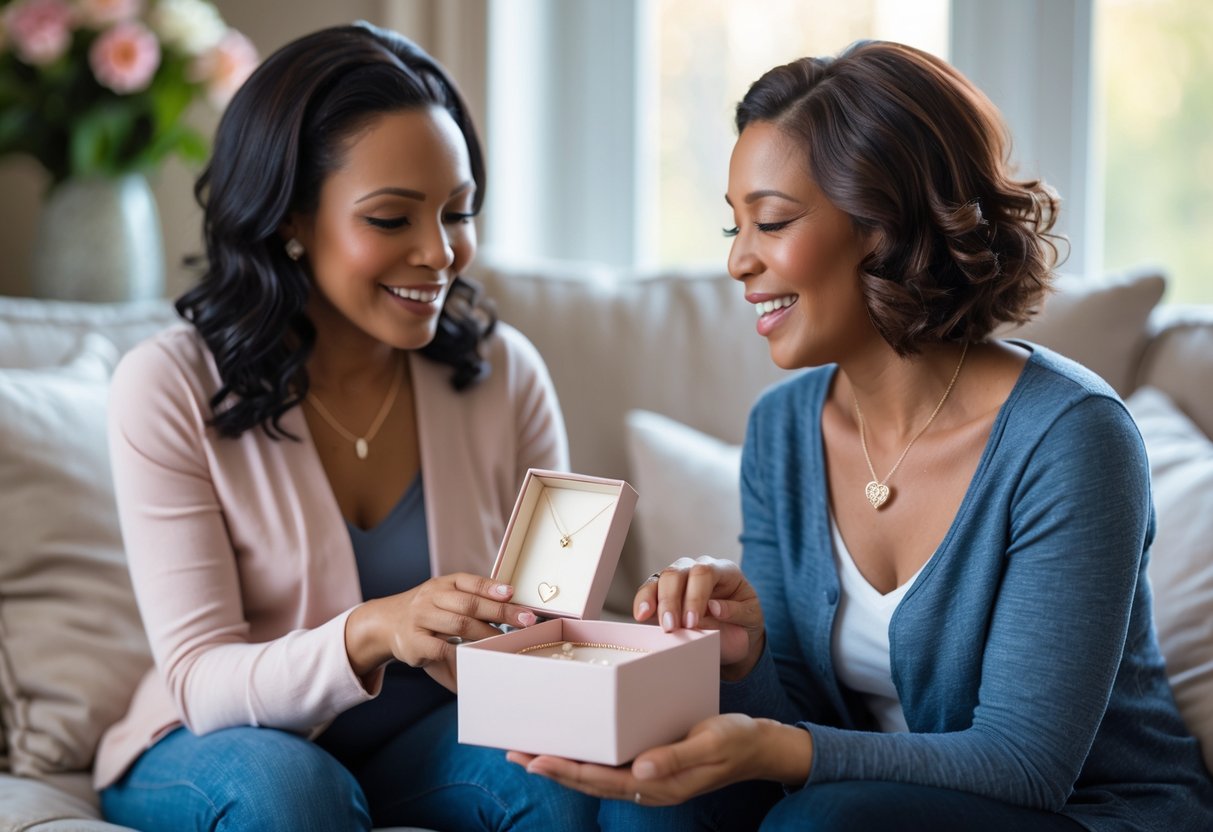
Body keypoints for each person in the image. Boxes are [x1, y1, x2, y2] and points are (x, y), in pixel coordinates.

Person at [510, 40, 1213, 830]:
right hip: (869, 804)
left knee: (819, 823)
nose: (739, 260)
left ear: (882, 226)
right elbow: (804, 716)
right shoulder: (782, 430)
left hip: (1090, 812)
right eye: (732, 226)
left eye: (770, 221)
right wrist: (744, 656)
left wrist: (774, 749)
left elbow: (1025, 764)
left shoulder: (1072, 439)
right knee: (653, 807)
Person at [95, 22, 603, 831]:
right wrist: (372, 629)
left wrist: (630, 634)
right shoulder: (169, 386)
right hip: (220, 736)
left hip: (424, 737)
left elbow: (553, 638)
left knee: (556, 779)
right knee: (293, 796)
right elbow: (200, 676)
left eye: (458, 212)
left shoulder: (506, 375)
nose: (440, 253)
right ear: (291, 219)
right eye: (393, 218)